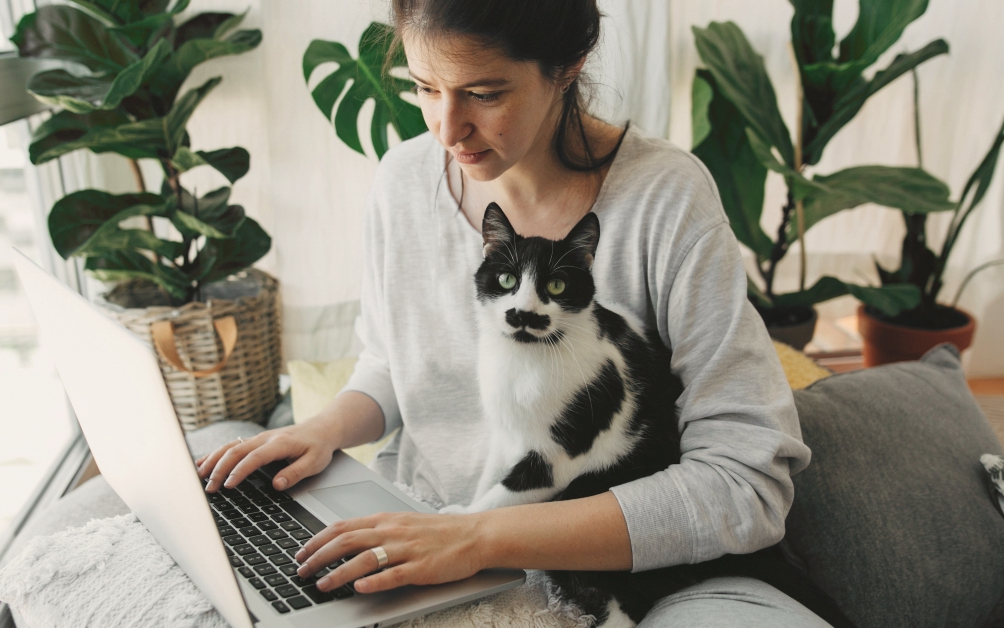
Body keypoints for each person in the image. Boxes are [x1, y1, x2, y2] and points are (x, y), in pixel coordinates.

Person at [197, 1, 827, 625]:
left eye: (485, 93)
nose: (446, 129)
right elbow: (395, 361)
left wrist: (479, 538)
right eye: (423, 87)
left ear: (567, 66)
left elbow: (746, 482)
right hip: (428, 528)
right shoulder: (402, 182)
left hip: (640, 573)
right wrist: (323, 430)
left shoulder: (666, 199)